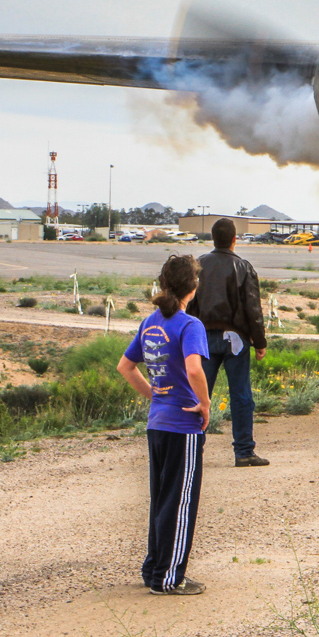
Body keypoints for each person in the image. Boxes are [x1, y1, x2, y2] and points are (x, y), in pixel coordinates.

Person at [116, 254, 210, 596]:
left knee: (161, 499)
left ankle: (155, 568)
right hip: (183, 425)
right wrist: (205, 404)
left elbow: (126, 367)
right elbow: (195, 369)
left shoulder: (150, 323)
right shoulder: (190, 325)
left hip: (157, 423)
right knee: (180, 501)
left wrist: (154, 395)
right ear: (193, 288)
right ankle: (169, 578)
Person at [188, 217, 270, 467]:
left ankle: (193, 450)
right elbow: (252, 308)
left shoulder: (198, 266)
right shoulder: (244, 267)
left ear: (213, 239)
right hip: (236, 339)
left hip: (203, 338)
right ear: (235, 239)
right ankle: (244, 451)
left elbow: (189, 305)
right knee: (241, 395)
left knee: (200, 395)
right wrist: (260, 341)